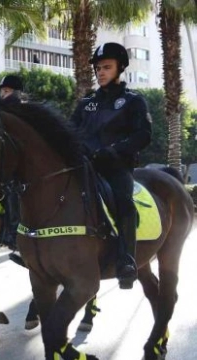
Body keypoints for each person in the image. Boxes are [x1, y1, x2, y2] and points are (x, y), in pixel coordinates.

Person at [71, 42, 152, 289]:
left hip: (117, 167)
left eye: (106, 67)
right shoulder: (86, 103)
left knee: (124, 202)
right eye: (98, 68)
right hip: (85, 166)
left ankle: (127, 260)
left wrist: (114, 151)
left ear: (120, 68)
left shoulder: (133, 101)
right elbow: (70, 132)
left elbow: (143, 135)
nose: (101, 72)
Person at [0, 75, 23, 258]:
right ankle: (3, 233)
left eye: (7, 91)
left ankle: (15, 236)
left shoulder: (22, 112)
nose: (3, 94)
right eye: (2, 91)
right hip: (4, 166)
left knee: (13, 196)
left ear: (17, 93)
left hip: (21, 165)